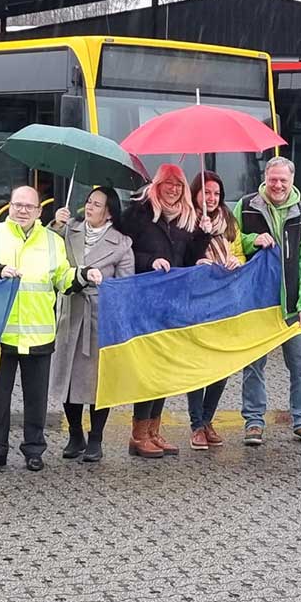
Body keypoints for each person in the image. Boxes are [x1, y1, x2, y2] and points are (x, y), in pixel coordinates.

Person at [0, 185, 102, 472]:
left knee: (36, 399)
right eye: (18, 205)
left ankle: (34, 450)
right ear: (10, 206)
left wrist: (83, 275)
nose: (22, 211)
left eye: (29, 206)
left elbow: (62, 278)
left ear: (39, 211)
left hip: (39, 332)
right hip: (0, 331)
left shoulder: (53, 240)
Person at [119, 163, 209, 458]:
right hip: (145, 302)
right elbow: (124, 251)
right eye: (168, 184)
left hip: (173, 303)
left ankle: (154, 431)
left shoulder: (186, 218)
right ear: (157, 185)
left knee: (164, 368)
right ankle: (138, 434)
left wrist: (203, 237)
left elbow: (189, 258)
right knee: (149, 369)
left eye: (179, 185)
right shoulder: (138, 213)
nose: (174, 190)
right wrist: (150, 261)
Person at [234, 156, 301, 447]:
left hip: (292, 307)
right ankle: (254, 422)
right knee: (253, 366)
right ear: (265, 177)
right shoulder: (245, 206)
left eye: (283, 180)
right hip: (256, 304)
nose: (278, 185)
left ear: (292, 181)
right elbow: (231, 243)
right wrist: (251, 240)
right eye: (273, 179)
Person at [49, 187, 134, 463]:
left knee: (98, 381)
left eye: (97, 205)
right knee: (68, 378)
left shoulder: (121, 243)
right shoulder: (69, 230)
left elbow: (125, 287)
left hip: (99, 317)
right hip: (70, 312)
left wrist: (102, 284)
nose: (89, 208)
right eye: (88, 202)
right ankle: (75, 434)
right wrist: (55, 224)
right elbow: (47, 254)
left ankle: (96, 437)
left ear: (109, 212)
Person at [186, 170, 244, 450]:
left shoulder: (228, 220)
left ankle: (208, 419)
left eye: (216, 193)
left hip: (224, 300)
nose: (211, 197)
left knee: (221, 364)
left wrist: (235, 260)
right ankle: (196, 425)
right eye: (206, 192)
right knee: (198, 364)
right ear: (196, 193)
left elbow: (240, 250)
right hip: (197, 302)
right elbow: (184, 257)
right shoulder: (187, 219)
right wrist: (201, 234)